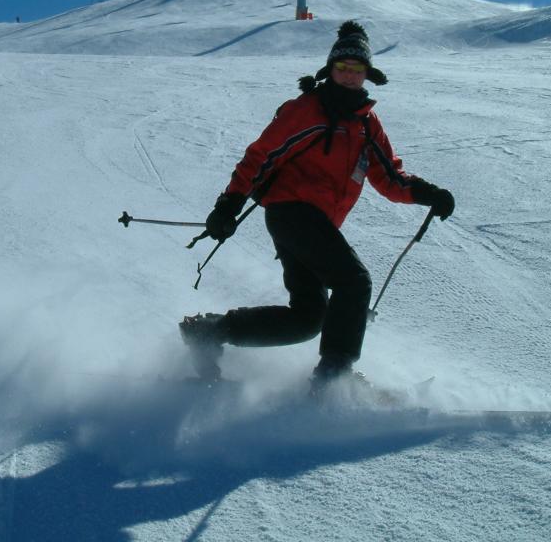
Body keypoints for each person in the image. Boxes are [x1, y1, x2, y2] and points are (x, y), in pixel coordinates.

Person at [180, 21, 455, 388]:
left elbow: (390, 178)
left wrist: (429, 194)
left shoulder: (366, 125)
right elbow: (260, 157)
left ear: (367, 74)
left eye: (357, 69)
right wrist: (228, 205)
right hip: (291, 213)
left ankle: (210, 332)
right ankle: (333, 379)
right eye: (342, 67)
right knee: (354, 281)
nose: (349, 75)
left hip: (317, 223)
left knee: (308, 318)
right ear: (330, 69)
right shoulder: (307, 110)